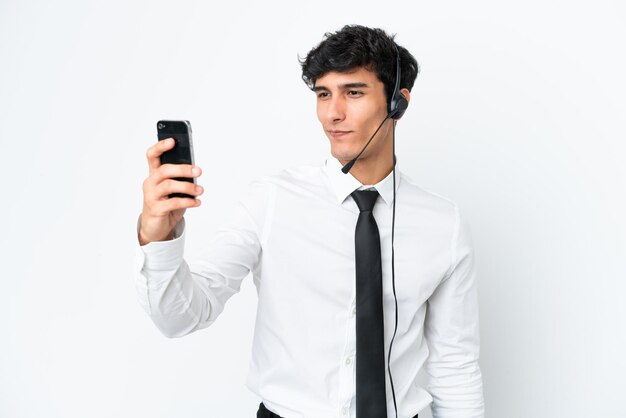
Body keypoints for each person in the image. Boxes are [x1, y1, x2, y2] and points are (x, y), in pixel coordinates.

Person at [135, 25, 484, 418]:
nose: (333, 113)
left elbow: (454, 365)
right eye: (323, 94)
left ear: (397, 104)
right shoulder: (271, 200)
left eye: (353, 92)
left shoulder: (444, 224)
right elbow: (182, 317)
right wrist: (157, 233)